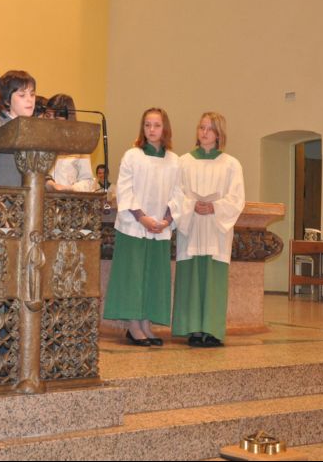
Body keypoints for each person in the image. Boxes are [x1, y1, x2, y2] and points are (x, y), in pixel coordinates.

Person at [103, 108, 181, 347]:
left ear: (165, 128)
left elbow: (178, 194)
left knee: (153, 277)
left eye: (156, 125)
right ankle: (133, 326)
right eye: (147, 125)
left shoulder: (174, 161)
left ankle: (146, 324)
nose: (151, 130)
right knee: (133, 276)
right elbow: (125, 190)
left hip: (159, 229)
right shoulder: (132, 156)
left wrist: (167, 220)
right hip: (134, 227)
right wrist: (142, 217)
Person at [171, 112, 245, 348]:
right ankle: (192, 328)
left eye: (210, 129)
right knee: (190, 277)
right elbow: (175, 194)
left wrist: (214, 206)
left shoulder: (231, 164)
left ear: (219, 134)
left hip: (216, 229)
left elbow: (237, 198)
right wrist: (192, 205)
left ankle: (212, 330)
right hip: (192, 226)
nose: (204, 133)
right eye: (201, 127)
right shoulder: (183, 162)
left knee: (214, 279)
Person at [44, 94, 98, 192]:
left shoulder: (79, 144)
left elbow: (88, 181)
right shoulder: (40, 140)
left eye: (56, 117)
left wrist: (70, 188)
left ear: (68, 118)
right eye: (48, 116)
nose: (51, 121)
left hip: (68, 199)